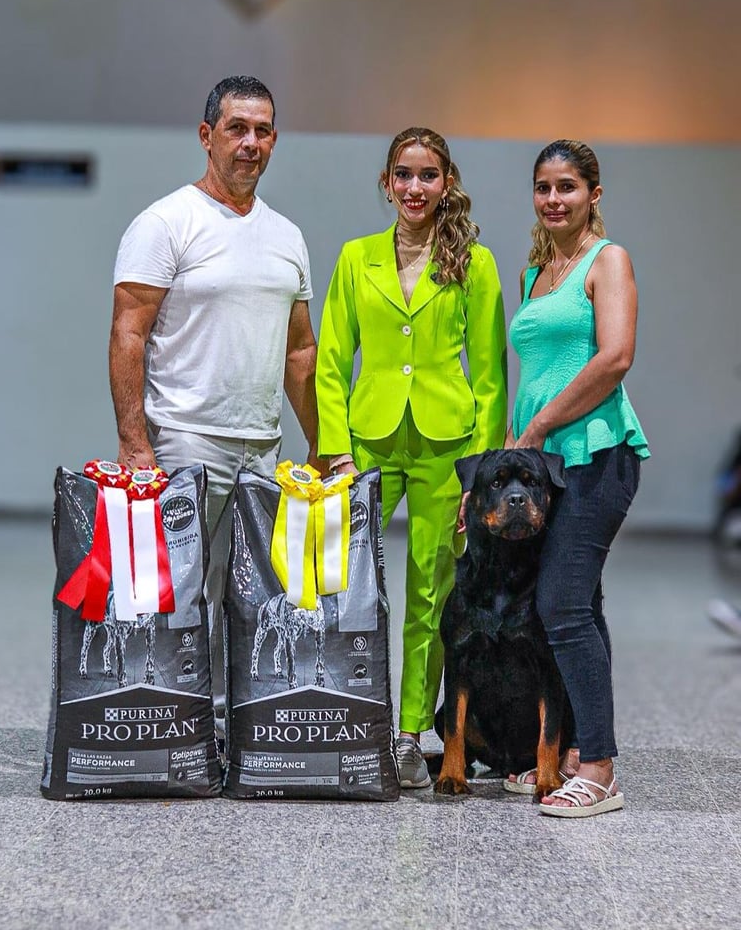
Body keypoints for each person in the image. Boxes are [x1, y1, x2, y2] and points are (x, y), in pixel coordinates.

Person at [109, 75, 323, 733]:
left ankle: (229, 730)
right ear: (207, 136)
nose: (250, 143)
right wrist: (136, 444)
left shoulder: (286, 235)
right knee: (178, 597)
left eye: (262, 131)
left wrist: (323, 441)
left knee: (253, 600)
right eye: (237, 128)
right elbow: (128, 333)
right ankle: (169, 728)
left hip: (262, 449)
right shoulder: (165, 223)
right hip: (184, 443)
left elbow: (299, 352)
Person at [316, 127, 508, 788]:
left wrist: (479, 478)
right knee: (343, 583)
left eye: (428, 175)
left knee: (431, 590)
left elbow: (489, 376)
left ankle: (407, 734)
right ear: (387, 182)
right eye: (404, 174)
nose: (415, 188)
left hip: (445, 448)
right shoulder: (355, 258)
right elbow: (333, 361)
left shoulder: (474, 264)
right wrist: (335, 449)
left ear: (446, 181)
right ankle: (340, 714)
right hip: (367, 440)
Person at [504, 139, 650, 816]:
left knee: (560, 605)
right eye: (543, 187)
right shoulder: (537, 271)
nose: (554, 199)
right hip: (544, 467)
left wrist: (538, 431)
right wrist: (518, 445)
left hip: (596, 454)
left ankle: (599, 769)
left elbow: (615, 357)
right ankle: (566, 754)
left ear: (594, 193)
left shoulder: (606, 260)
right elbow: (533, 373)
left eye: (567, 186)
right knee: (577, 605)